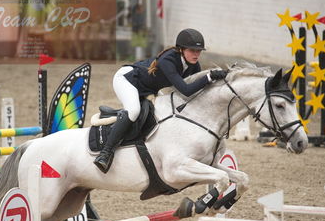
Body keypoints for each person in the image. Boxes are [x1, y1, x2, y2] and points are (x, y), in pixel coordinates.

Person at [94, 28, 227, 173]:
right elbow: (186, 90)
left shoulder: (194, 66)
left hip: (146, 89)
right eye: (192, 50)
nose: (196, 54)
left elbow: (196, 92)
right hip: (127, 80)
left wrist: (217, 81)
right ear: (181, 49)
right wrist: (209, 77)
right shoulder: (168, 60)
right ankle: (105, 154)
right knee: (133, 110)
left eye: (199, 50)